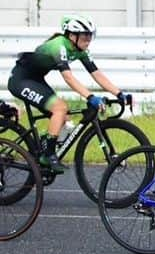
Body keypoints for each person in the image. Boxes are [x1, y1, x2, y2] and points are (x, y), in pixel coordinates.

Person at [6, 15, 128, 173]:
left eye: (90, 35)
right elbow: (68, 77)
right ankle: (48, 156)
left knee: (64, 119)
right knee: (60, 108)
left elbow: (97, 74)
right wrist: (90, 97)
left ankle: (44, 146)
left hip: (36, 80)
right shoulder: (60, 46)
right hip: (20, 81)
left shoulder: (80, 50)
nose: (88, 39)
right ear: (72, 36)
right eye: (85, 36)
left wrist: (119, 93)